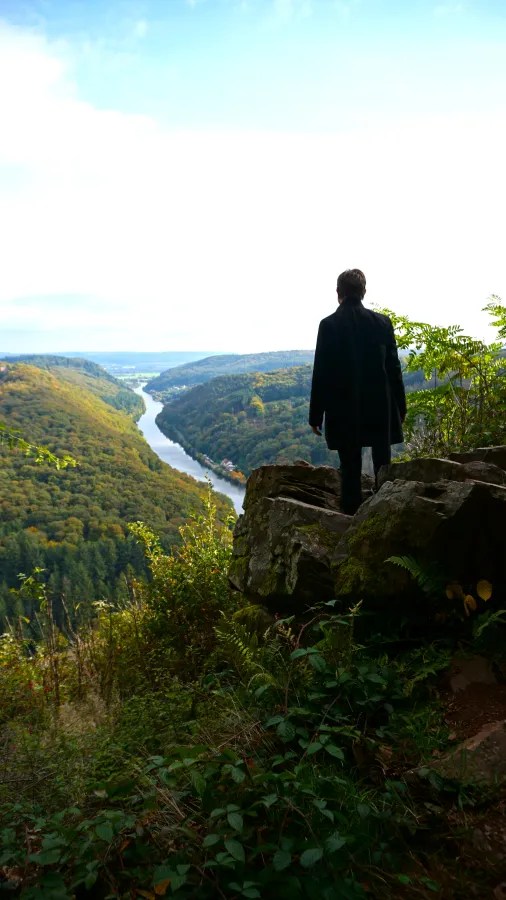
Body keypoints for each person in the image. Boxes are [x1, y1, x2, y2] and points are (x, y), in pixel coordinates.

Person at [309, 268, 406, 515]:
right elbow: (394, 369)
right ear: (364, 292)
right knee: (383, 463)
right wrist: (400, 407)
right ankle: (386, 514)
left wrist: (315, 415)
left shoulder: (329, 325)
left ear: (338, 293)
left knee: (349, 468)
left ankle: (350, 519)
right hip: (380, 405)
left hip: (343, 407)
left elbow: (321, 372)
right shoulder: (382, 323)